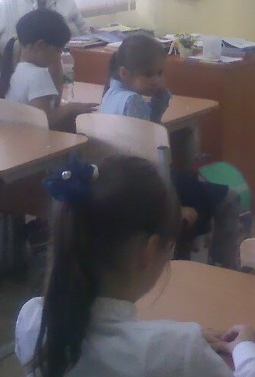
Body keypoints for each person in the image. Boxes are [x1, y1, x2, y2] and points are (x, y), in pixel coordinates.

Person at [15, 155, 255, 377]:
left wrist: (179, 338)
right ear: (150, 249)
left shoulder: (31, 320)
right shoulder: (179, 352)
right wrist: (248, 349)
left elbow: (111, 343)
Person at [100, 34, 243, 268]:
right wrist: (173, 208)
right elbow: (150, 160)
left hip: (126, 185)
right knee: (229, 197)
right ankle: (225, 268)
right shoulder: (133, 102)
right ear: (125, 73)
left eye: (159, 73)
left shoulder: (110, 95)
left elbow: (149, 131)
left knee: (190, 177)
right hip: (147, 188)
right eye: (149, 74)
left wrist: (159, 101)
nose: (157, 80)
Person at [0, 8, 94, 132]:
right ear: (41, 45)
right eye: (58, 50)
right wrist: (70, 108)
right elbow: (44, 121)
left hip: (18, 137)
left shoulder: (17, 69)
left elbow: (55, 103)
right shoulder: (38, 75)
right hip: (34, 140)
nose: (59, 56)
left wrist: (55, 61)